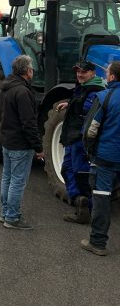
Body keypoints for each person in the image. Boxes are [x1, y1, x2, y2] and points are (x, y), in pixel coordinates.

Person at [55, 60, 104, 224]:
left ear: (93, 73)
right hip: (72, 138)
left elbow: (89, 114)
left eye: (83, 72)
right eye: (78, 71)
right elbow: (80, 103)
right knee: (67, 169)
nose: (79, 74)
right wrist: (69, 104)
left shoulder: (95, 91)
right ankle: (79, 201)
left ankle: (86, 209)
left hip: (80, 140)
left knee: (81, 174)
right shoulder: (83, 88)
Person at [0, 54, 44, 230]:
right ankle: (12, 218)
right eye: (31, 69)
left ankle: (4, 213)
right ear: (27, 71)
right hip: (20, 144)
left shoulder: (6, 88)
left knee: (7, 178)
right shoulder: (23, 92)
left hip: (7, 141)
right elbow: (29, 123)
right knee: (17, 182)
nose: (32, 71)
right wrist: (38, 147)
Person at [80, 61, 120, 256]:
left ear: (112, 77)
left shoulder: (104, 97)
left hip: (105, 157)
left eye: (107, 73)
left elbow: (90, 130)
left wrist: (90, 151)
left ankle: (97, 242)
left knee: (101, 197)